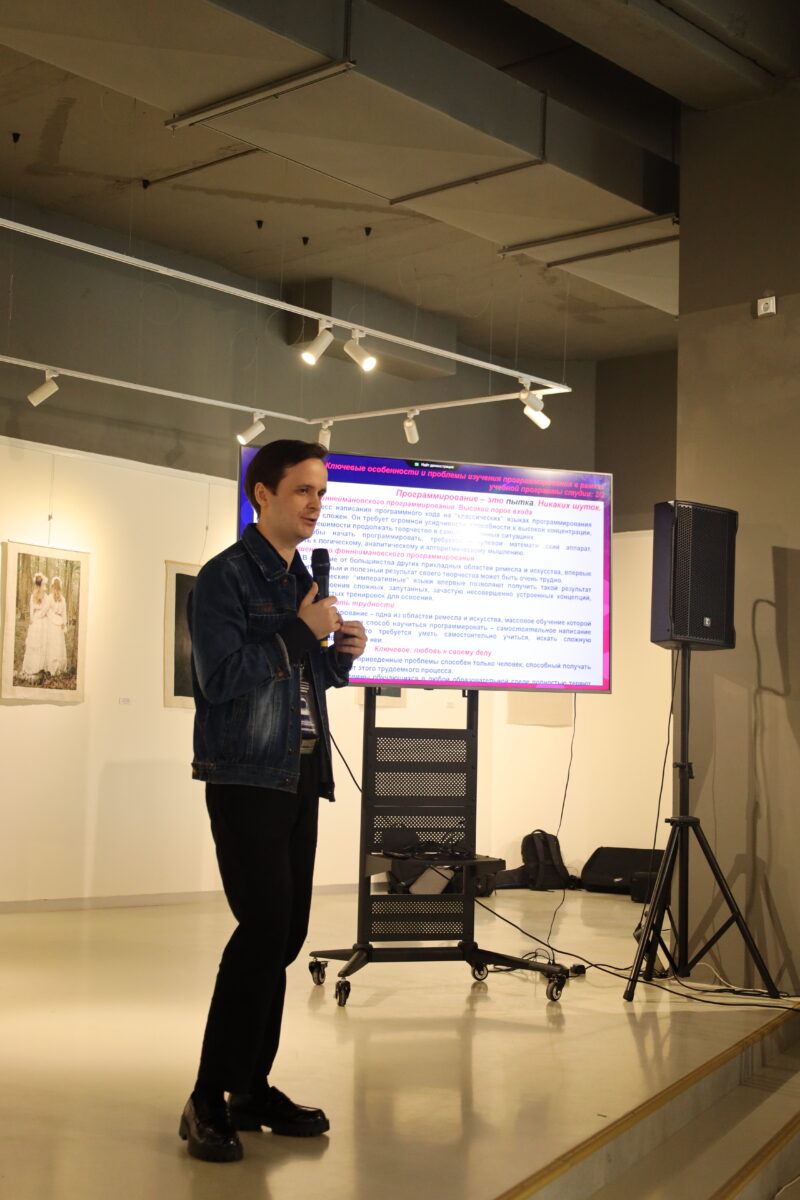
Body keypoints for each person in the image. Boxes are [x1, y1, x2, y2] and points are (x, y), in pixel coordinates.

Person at [182, 439, 367, 1163]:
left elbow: (303, 678)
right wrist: (299, 631)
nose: (315, 504)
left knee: (285, 936)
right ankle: (207, 1097)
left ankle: (250, 1090)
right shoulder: (225, 577)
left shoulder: (301, 579)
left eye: (321, 493)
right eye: (302, 491)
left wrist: (338, 656)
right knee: (262, 928)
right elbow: (221, 678)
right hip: (247, 776)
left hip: (300, 774)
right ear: (262, 494)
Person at [20, 572, 51, 680]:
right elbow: (33, 608)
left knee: (40, 642)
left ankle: (39, 666)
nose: (43, 586)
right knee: (35, 643)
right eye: (42, 584)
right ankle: (33, 666)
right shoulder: (35, 595)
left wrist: (35, 616)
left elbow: (43, 608)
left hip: (39, 620)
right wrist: (34, 617)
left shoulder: (44, 596)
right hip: (38, 621)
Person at [45, 575, 68, 677]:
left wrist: (63, 623)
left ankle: (59, 668)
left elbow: (64, 612)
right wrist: (54, 619)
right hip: (51, 623)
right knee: (52, 645)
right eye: (54, 587)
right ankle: (51, 668)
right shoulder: (49, 598)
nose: (56, 590)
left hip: (59, 624)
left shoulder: (62, 599)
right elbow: (47, 611)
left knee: (59, 645)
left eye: (58, 588)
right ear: (52, 587)